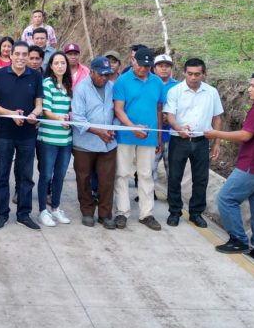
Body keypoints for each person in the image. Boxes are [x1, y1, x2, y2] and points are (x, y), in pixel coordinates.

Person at [203, 72, 254, 263]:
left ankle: (239, 240)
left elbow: (245, 135)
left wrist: (217, 133)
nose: (249, 89)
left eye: (253, 86)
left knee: (226, 198)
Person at [0, 41, 43, 230]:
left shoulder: (35, 76)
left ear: (28, 56)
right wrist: (10, 114)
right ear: (10, 55)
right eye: (16, 53)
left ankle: (23, 214)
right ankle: (2, 214)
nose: (20, 57)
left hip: (28, 134)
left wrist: (34, 115)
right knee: (2, 175)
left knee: (26, 176)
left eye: (24, 54)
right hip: (4, 133)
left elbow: (39, 104)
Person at [163, 57, 222, 228]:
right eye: (190, 74)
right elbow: (170, 116)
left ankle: (196, 213)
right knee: (174, 177)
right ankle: (174, 211)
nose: (193, 78)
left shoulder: (211, 92)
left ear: (204, 74)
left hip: (201, 141)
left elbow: (217, 118)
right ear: (184, 73)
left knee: (201, 179)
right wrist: (178, 127)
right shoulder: (175, 91)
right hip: (178, 140)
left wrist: (217, 143)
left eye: (197, 74)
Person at [113, 46, 167, 231]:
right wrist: (132, 127)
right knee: (122, 174)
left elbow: (159, 110)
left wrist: (159, 137)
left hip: (149, 138)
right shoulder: (122, 81)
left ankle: (146, 213)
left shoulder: (157, 83)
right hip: (126, 135)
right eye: (141, 65)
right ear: (133, 61)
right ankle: (122, 212)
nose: (143, 69)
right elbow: (118, 109)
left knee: (146, 175)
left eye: (147, 66)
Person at [71, 56, 118, 229]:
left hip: (109, 143)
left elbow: (118, 111)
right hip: (85, 143)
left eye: (107, 75)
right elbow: (77, 117)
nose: (104, 78)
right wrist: (99, 132)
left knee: (107, 180)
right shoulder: (81, 88)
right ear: (91, 72)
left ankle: (105, 215)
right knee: (83, 179)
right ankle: (87, 212)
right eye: (101, 75)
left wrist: (113, 129)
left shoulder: (112, 88)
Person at [38, 52, 74, 226]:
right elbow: (46, 110)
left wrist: (70, 116)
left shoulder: (68, 85)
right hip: (48, 138)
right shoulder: (47, 84)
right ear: (51, 66)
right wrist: (60, 119)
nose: (60, 66)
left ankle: (56, 208)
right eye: (56, 63)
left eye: (63, 63)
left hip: (65, 140)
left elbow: (69, 108)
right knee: (46, 175)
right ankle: (43, 211)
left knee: (59, 175)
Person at [152, 54, 185, 198]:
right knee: (149, 169)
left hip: (173, 136)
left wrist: (170, 118)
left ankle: (173, 198)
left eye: (167, 66)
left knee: (173, 169)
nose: (164, 69)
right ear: (154, 68)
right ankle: (148, 195)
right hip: (153, 134)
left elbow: (184, 108)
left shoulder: (179, 86)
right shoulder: (149, 84)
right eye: (160, 66)